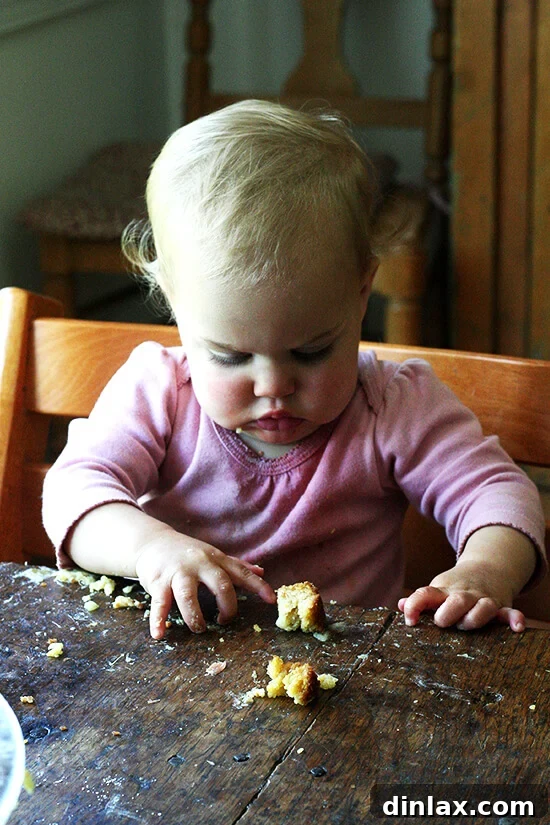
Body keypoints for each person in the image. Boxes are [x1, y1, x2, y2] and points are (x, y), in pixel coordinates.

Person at [42, 100, 546, 640]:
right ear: (174, 303)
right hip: (174, 666)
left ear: (360, 294)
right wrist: (150, 548)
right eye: (231, 356)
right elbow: (74, 492)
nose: (273, 386)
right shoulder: (160, 392)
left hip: (352, 679)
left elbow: (498, 494)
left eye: (310, 352)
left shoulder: (392, 406)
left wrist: (485, 570)